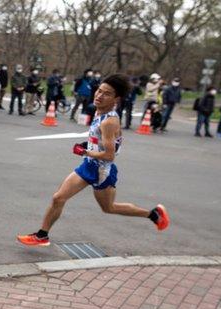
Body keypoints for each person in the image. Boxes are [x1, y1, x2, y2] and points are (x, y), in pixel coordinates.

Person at [17, 74, 169, 247]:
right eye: (99, 91)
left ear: (116, 99)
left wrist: (85, 151)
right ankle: (42, 236)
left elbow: (110, 155)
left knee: (109, 208)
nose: (99, 95)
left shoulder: (109, 122)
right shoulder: (99, 111)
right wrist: (89, 146)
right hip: (89, 166)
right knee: (58, 198)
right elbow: (109, 142)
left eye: (106, 94)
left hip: (102, 172)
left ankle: (153, 214)